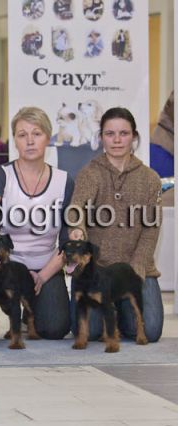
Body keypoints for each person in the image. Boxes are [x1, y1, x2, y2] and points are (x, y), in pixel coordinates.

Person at [0, 106, 74, 340]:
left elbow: (67, 243)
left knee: (55, 329)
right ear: (14, 140)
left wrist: (43, 276)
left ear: (48, 137)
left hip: (45, 263)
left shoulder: (64, 181)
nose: (30, 141)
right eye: (22, 135)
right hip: (6, 264)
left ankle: (27, 315)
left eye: (37, 133)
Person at [68, 107, 164, 343]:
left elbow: (151, 229)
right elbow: (76, 209)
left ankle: (119, 312)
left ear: (134, 136)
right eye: (110, 134)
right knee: (90, 333)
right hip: (97, 271)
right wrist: (77, 228)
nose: (117, 140)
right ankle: (114, 312)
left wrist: (136, 269)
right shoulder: (89, 173)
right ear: (101, 137)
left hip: (133, 269)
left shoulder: (150, 178)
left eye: (124, 133)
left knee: (150, 331)